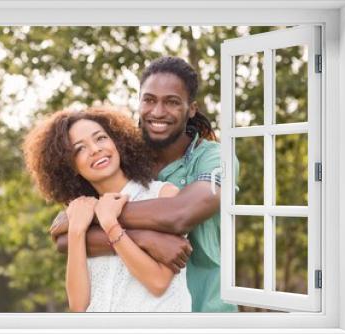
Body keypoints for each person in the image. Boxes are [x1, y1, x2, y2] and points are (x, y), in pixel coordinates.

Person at [51, 56, 238, 312]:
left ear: (191, 108)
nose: (158, 112)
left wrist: (94, 216)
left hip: (206, 311)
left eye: (172, 102)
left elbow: (179, 213)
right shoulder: (124, 156)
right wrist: (146, 238)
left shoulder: (215, 157)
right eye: (149, 100)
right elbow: (65, 242)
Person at [23, 108, 192, 312]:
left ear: (117, 142)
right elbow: (79, 306)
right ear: (70, 166)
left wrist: (111, 225)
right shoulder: (81, 213)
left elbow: (158, 283)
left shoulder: (164, 195)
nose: (95, 149)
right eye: (79, 149)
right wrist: (77, 230)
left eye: (101, 138)